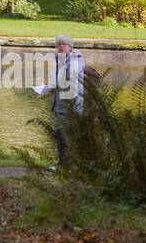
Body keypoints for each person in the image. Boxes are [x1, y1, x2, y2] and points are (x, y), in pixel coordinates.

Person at [32, 34, 98, 167]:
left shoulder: (75, 59)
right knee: (60, 136)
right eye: (58, 45)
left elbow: (70, 76)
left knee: (67, 136)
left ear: (70, 46)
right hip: (60, 105)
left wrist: (48, 86)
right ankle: (64, 164)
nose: (61, 47)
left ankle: (68, 165)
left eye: (64, 44)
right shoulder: (61, 59)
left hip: (71, 106)